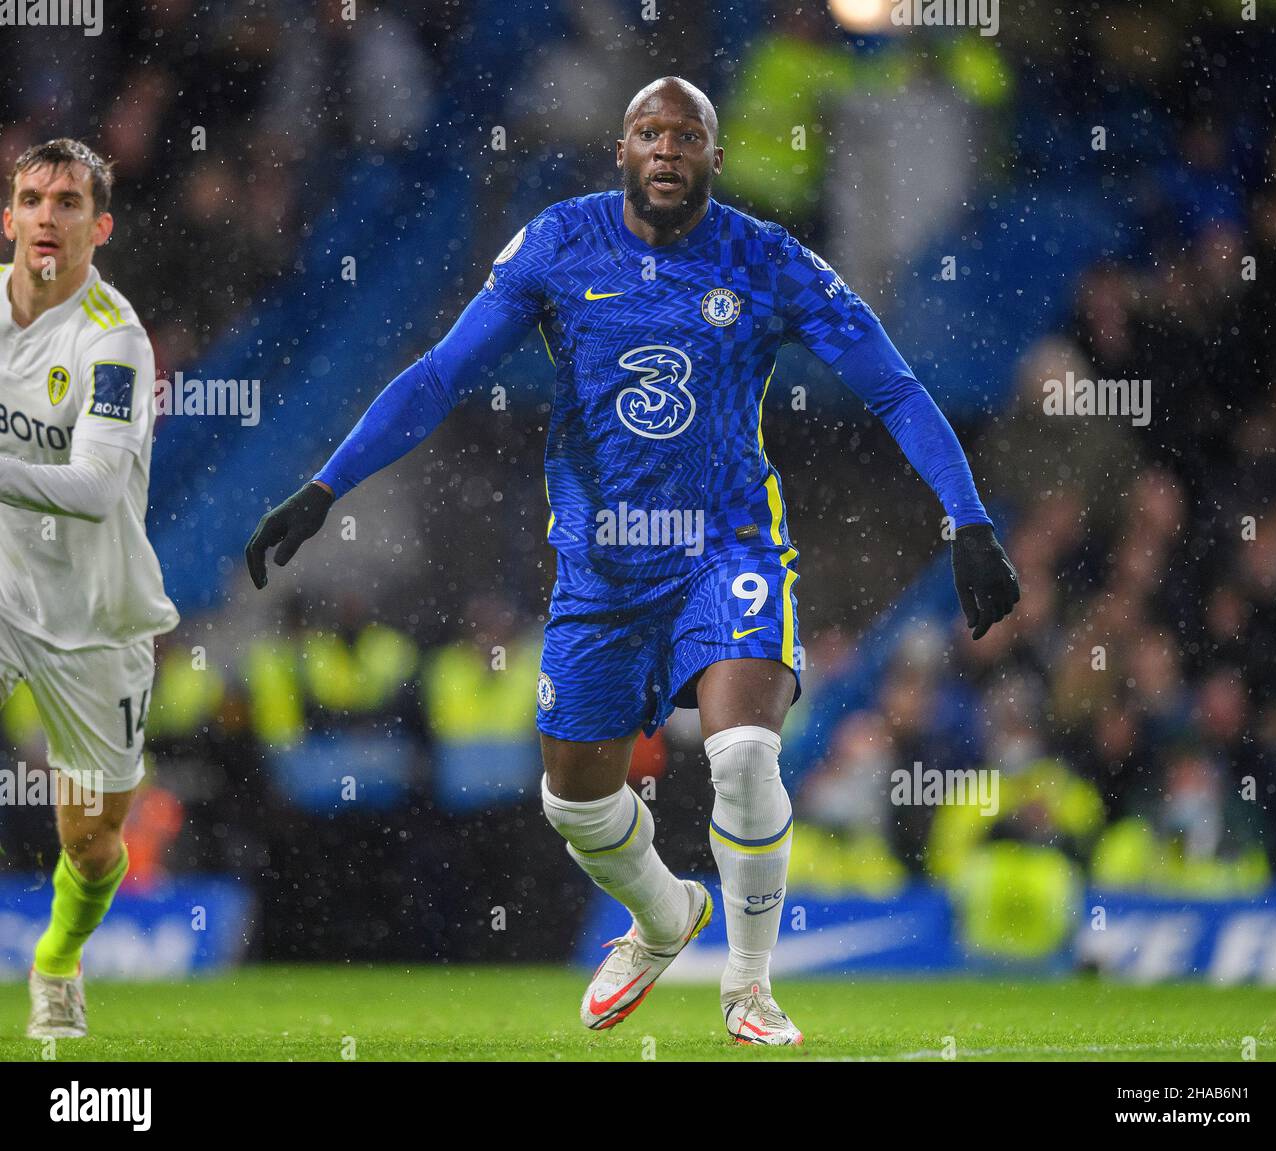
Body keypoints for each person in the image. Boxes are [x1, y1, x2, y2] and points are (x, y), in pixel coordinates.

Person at [246, 78, 1020, 1045]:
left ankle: (748, 985)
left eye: (686, 135)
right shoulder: (557, 245)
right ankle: (665, 914)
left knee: (742, 753)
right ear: (620, 152)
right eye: (648, 132)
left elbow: (897, 389)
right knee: (573, 802)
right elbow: (442, 373)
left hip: (726, 547)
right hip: (601, 571)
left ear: (715, 157)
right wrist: (325, 487)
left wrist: (971, 522)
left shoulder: (767, 259)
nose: (665, 149)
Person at [0, 139, 179, 1038]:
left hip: (94, 614)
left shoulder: (115, 339)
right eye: (32, 199)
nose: (46, 215)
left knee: (91, 839)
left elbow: (97, 489)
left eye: (68, 202)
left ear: (98, 227)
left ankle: (57, 959)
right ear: (8, 218)